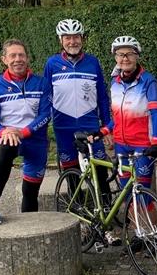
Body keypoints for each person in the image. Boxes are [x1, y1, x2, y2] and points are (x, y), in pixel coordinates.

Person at [0, 39, 50, 225]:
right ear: (4, 59)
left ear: (27, 58)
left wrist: (24, 132)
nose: (17, 59)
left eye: (21, 55)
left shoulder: (41, 83)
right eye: (13, 55)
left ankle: (29, 227)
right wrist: (3, 131)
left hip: (35, 140)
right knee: (6, 148)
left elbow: (46, 114)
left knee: (31, 193)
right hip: (10, 138)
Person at [93, 37, 157, 210]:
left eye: (130, 53)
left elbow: (156, 112)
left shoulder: (148, 80)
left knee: (144, 196)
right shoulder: (114, 83)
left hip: (142, 145)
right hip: (121, 145)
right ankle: (134, 227)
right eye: (120, 54)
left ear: (137, 55)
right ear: (115, 57)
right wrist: (104, 130)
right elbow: (118, 117)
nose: (125, 58)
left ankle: (151, 229)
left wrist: (156, 141)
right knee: (127, 194)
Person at [44, 19, 111, 173]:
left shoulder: (93, 62)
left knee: (100, 171)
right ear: (60, 40)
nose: (72, 42)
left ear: (82, 38)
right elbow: (46, 98)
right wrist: (43, 130)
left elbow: (102, 96)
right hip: (63, 125)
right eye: (67, 38)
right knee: (71, 173)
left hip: (90, 124)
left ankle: (102, 190)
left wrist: (106, 125)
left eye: (76, 37)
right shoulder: (52, 63)